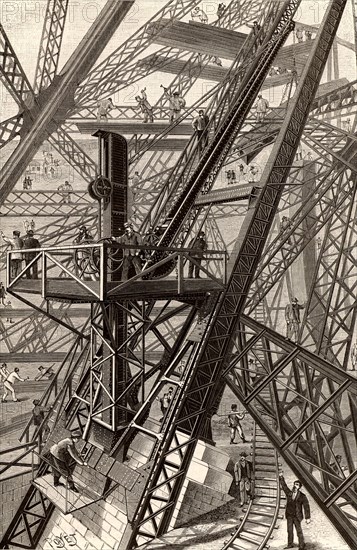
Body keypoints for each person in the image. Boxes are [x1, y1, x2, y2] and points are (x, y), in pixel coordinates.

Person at [279, 473, 311, 550]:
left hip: (297, 516)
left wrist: (308, 517)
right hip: (289, 516)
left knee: (299, 531)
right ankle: (290, 544)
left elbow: (306, 507)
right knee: (289, 531)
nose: (295, 486)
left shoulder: (302, 496)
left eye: (296, 485)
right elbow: (284, 487)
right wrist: (281, 477)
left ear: (299, 487)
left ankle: (301, 546)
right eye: (294, 484)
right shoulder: (289, 493)